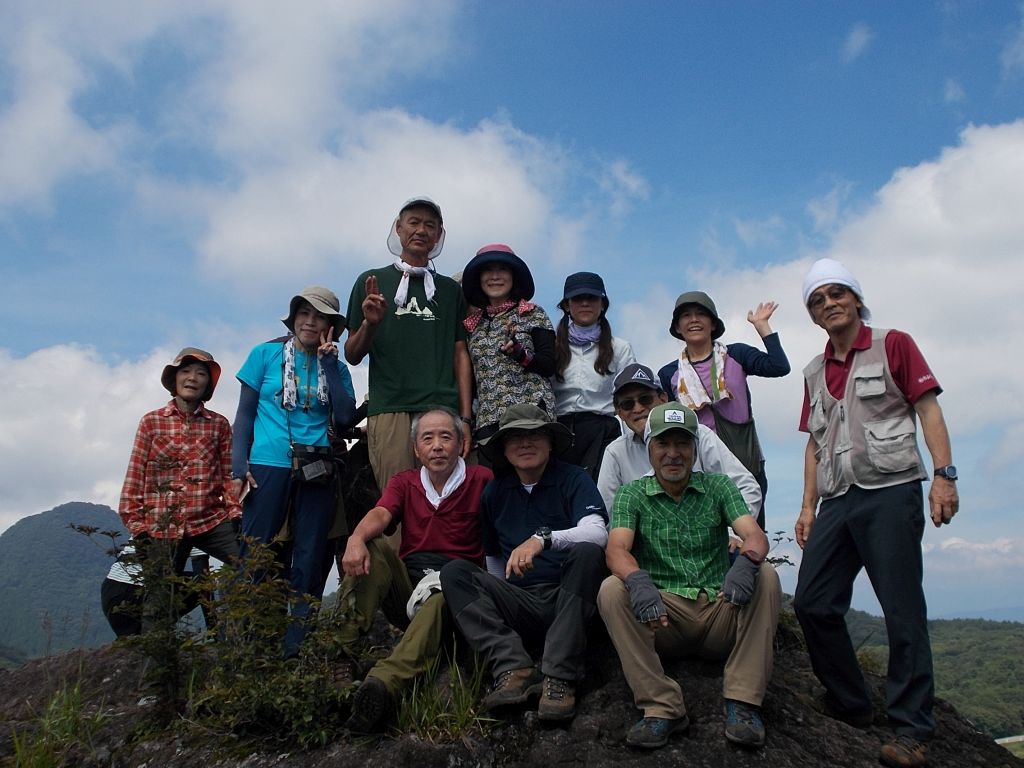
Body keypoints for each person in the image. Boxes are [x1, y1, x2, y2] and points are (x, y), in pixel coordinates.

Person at [792, 259, 958, 768]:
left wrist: (945, 477)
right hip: (839, 499)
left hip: (892, 489)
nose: (829, 304)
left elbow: (927, 408)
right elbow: (814, 445)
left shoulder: (894, 344)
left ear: (856, 299)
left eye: (837, 293)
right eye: (818, 300)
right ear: (814, 314)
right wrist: (806, 507)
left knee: (901, 608)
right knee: (813, 603)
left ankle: (912, 729)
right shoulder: (814, 371)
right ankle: (852, 703)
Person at [598, 402, 781, 750]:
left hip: (719, 608)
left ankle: (743, 702)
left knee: (766, 575)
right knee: (611, 589)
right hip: (663, 617)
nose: (673, 454)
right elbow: (616, 549)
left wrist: (747, 561)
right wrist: (638, 581)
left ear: (695, 449)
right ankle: (661, 706)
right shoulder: (631, 494)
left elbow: (754, 535)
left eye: (682, 444)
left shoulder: (718, 487)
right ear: (649, 449)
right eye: (663, 444)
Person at [440, 403, 608, 722]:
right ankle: (513, 666)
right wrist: (499, 602)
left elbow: (597, 531)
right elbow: (493, 558)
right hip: (521, 602)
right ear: (503, 448)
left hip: (569, 598)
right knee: (455, 573)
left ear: (550, 441)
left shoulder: (573, 479)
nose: (525, 443)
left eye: (535, 434)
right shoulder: (495, 494)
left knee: (588, 552)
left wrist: (543, 539)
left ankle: (559, 676)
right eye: (515, 437)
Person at [337, 407, 493, 733]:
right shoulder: (405, 482)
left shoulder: (482, 480)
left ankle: (382, 684)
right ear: (416, 449)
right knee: (375, 546)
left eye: (445, 436)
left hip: (459, 592)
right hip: (411, 587)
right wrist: (356, 538)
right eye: (428, 438)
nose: (437, 446)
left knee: (446, 589)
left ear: (461, 442)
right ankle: (341, 655)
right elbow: (382, 514)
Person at [232, 287, 357, 657]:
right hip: (268, 464)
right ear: (293, 318)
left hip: (316, 466)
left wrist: (331, 365)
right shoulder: (265, 355)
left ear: (331, 327)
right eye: (303, 313)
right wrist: (239, 467)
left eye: (319, 316)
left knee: (309, 553)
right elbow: (244, 415)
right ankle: (242, 641)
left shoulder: (335, 366)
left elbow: (347, 417)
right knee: (255, 550)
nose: (309, 321)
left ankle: (296, 646)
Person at [345, 197, 472, 489]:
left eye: (430, 225)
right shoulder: (371, 281)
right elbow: (352, 354)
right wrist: (370, 324)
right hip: (390, 406)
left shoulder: (450, 290)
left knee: (446, 499)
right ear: (399, 229)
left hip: (442, 406)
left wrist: (464, 418)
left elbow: (460, 355)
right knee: (397, 500)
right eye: (413, 222)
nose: (421, 230)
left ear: (439, 235)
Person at [118, 347, 241, 625]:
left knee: (251, 562)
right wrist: (137, 526)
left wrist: (234, 513)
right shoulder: (151, 422)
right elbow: (135, 474)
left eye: (201, 374)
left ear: (208, 384)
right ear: (174, 379)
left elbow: (226, 476)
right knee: (159, 600)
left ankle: (239, 639)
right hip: (162, 524)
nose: (193, 378)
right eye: (186, 371)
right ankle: (159, 664)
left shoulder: (219, 425)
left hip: (209, 519)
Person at [657, 291, 790, 529]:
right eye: (686, 316)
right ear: (678, 327)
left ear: (713, 324)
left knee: (750, 541)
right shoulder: (669, 374)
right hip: (701, 471)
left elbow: (779, 366)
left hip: (747, 466)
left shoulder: (736, 355)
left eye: (701, 314)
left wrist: (762, 326)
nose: (694, 320)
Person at [597, 363, 761, 518]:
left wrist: (732, 533)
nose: (638, 408)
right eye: (627, 404)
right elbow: (608, 511)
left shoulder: (699, 435)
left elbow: (746, 487)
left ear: (663, 399)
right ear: (619, 412)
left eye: (645, 399)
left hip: (706, 537)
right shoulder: (615, 452)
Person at [461, 244, 556, 453]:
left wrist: (520, 354)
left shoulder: (533, 313)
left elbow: (549, 364)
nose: (495, 276)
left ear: (514, 277)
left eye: (502, 269)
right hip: (487, 421)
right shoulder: (472, 325)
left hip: (529, 415)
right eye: (488, 270)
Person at [551, 271, 635, 481]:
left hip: (602, 429)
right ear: (567, 306)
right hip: (557, 431)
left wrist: (636, 443)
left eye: (592, 298)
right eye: (578, 298)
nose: (585, 303)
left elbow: (630, 396)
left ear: (603, 305)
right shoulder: (550, 344)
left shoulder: (620, 348)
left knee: (600, 492)